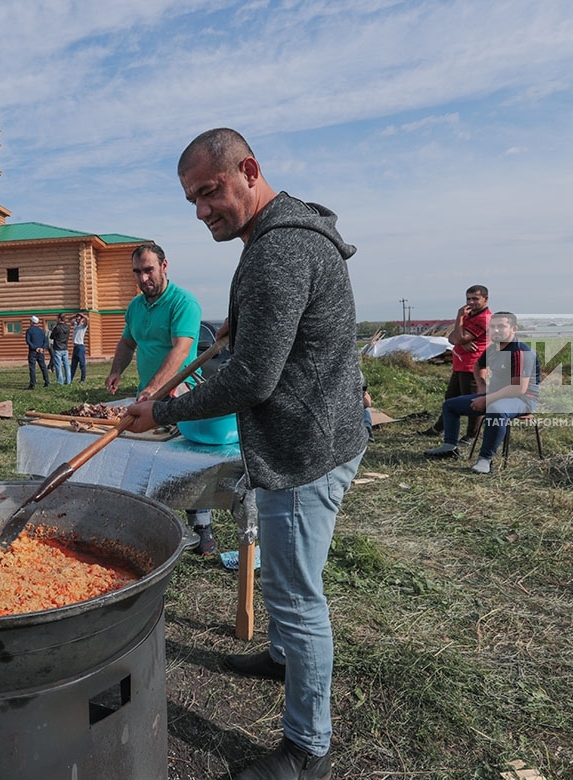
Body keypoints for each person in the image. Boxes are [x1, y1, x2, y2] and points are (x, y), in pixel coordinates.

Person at [123, 129, 366, 780]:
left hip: (304, 448)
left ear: (248, 170)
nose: (201, 210)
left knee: (296, 598)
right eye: (191, 200)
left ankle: (306, 748)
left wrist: (164, 411)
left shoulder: (278, 249)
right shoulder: (281, 235)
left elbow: (255, 378)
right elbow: (270, 337)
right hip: (313, 432)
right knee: (291, 589)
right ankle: (283, 657)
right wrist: (240, 326)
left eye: (209, 192)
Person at [106, 243, 215, 555]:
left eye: (148, 270)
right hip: (148, 392)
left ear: (165, 266)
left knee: (186, 461)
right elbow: (127, 343)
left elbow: (180, 350)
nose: (143, 278)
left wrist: (154, 388)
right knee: (145, 459)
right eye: (137, 272)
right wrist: (116, 371)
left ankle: (202, 527)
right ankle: (149, 525)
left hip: (182, 392)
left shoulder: (184, 303)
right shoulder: (136, 307)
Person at [424, 311, 539, 474]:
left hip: (522, 399)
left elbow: (518, 388)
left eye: (501, 326)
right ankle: (449, 447)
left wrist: (487, 399)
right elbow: (478, 366)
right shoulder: (494, 348)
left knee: (496, 410)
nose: (496, 330)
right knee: (450, 405)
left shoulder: (520, 352)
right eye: (493, 327)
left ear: (514, 329)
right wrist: (482, 386)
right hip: (496, 395)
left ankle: (485, 460)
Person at [420, 285, 492, 442]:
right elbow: (451, 338)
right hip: (460, 364)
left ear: (485, 299)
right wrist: (461, 340)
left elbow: (458, 338)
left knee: (474, 401)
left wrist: (459, 319)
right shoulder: (470, 315)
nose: (470, 302)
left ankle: (472, 435)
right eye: (468, 299)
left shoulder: (483, 319)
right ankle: (438, 428)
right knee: (450, 399)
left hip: (473, 366)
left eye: (475, 299)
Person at [25, 315, 50, 388]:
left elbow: (28, 341)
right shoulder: (42, 331)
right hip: (41, 351)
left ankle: (32, 384)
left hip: (33, 351)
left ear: (32, 322)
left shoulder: (29, 330)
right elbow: (45, 341)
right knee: (43, 367)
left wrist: (35, 348)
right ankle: (47, 382)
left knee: (32, 367)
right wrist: (42, 348)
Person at [50, 313, 72, 384]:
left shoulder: (57, 327)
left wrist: (53, 330)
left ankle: (60, 381)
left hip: (58, 348)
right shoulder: (67, 327)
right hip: (65, 347)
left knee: (58, 366)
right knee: (67, 365)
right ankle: (68, 381)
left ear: (59, 319)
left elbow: (52, 336)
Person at [70, 312, 89, 383]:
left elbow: (87, 319)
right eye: (76, 319)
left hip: (80, 346)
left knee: (82, 364)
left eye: (78, 319)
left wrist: (82, 315)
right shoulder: (75, 325)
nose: (77, 320)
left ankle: (83, 379)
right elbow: (69, 319)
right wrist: (75, 315)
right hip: (75, 347)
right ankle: (70, 379)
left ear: (82, 319)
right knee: (73, 364)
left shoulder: (83, 326)